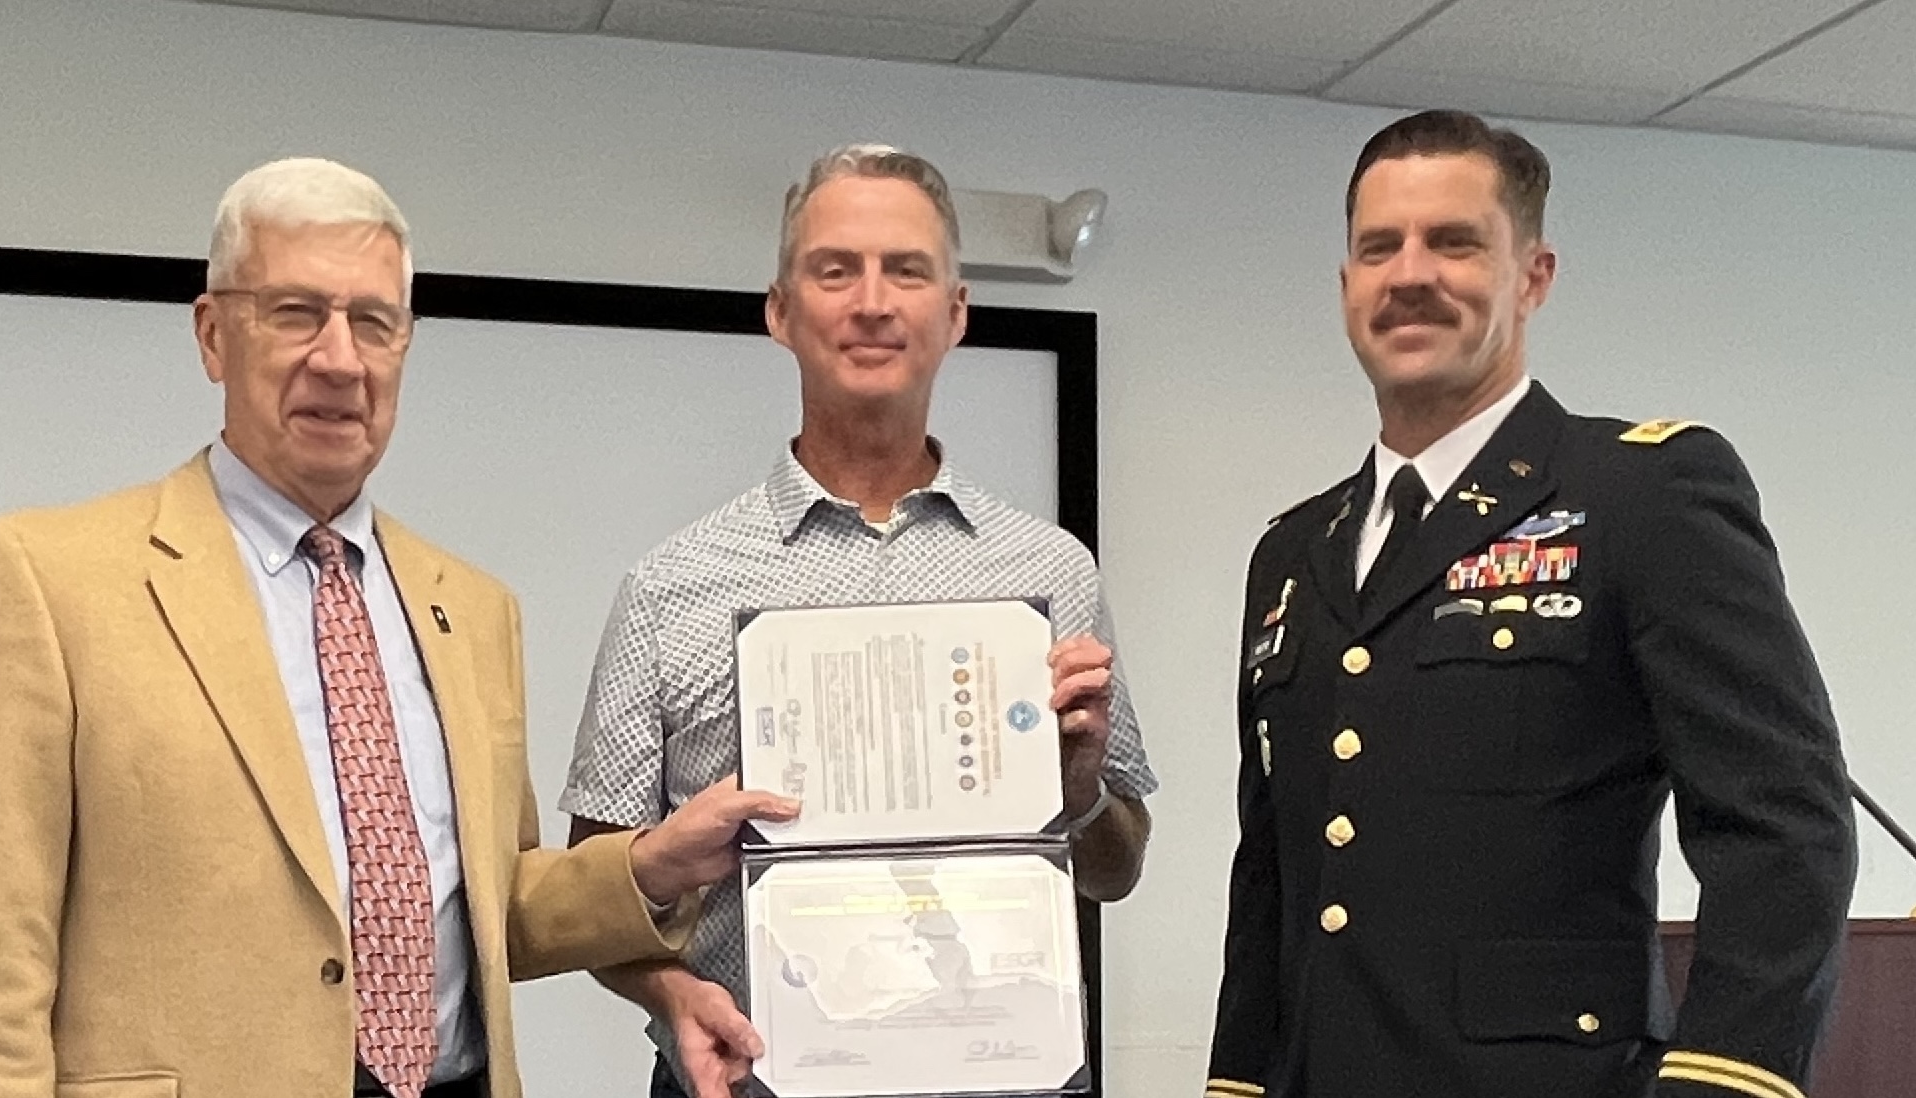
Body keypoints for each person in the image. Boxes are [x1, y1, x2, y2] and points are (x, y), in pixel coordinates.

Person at [0, 156, 797, 1098]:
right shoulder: (47, 581)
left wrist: (653, 863)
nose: (338, 358)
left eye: (372, 323)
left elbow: (486, 908)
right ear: (214, 335)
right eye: (295, 312)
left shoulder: (473, 607)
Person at [1202, 109, 1858, 1098]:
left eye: (1455, 243)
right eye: (1380, 248)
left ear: (1533, 276)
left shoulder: (1641, 495)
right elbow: (1275, 878)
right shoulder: (1294, 552)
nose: (1410, 274)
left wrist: (1726, 1083)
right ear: (1347, 288)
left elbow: (1783, 831)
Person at [557, 143, 1161, 1098]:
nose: (872, 301)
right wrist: (669, 995)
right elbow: (590, 895)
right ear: (780, 311)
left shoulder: (1050, 571)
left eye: (906, 270)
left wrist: (1080, 789)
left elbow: (1115, 867)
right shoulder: (669, 585)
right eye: (835, 270)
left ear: (955, 312)